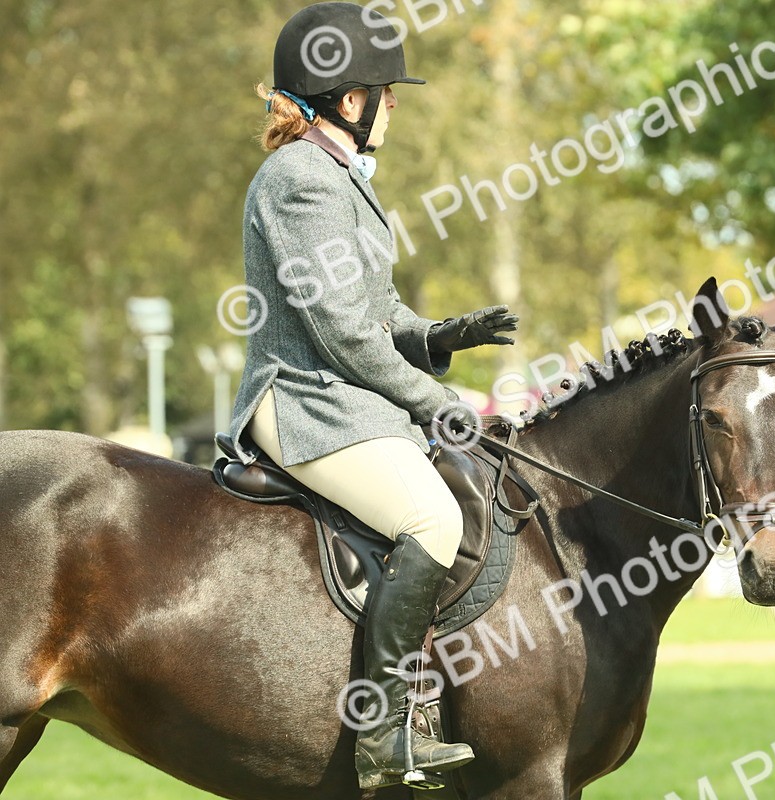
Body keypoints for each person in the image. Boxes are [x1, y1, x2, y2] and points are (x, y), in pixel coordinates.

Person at [226, 2, 518, 789]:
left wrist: (442, 335)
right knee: (432, 515)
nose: (395, 104)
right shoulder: (299, 182)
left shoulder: (338, 178)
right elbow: (341, 335)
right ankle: (385, 737)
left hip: (347, 397)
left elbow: (376, 313)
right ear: (348, 100)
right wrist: (431, 401)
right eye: (386, 92)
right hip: (308, 400)